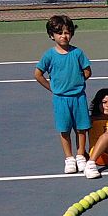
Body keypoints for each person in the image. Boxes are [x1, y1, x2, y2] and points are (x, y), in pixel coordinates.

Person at [34, 14, 92, 174]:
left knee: (81, 128)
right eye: (59, 33)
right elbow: (38, 74)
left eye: (67, 32)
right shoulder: (49, 55)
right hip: (60, 100)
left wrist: (77, 81)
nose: (63, 36)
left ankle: (80, 156)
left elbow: (87, 71)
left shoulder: (78, 53)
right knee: (64, 130)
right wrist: (52, 88)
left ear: (71, 33)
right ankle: (69, 158)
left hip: (79, 98)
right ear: (51, 35)